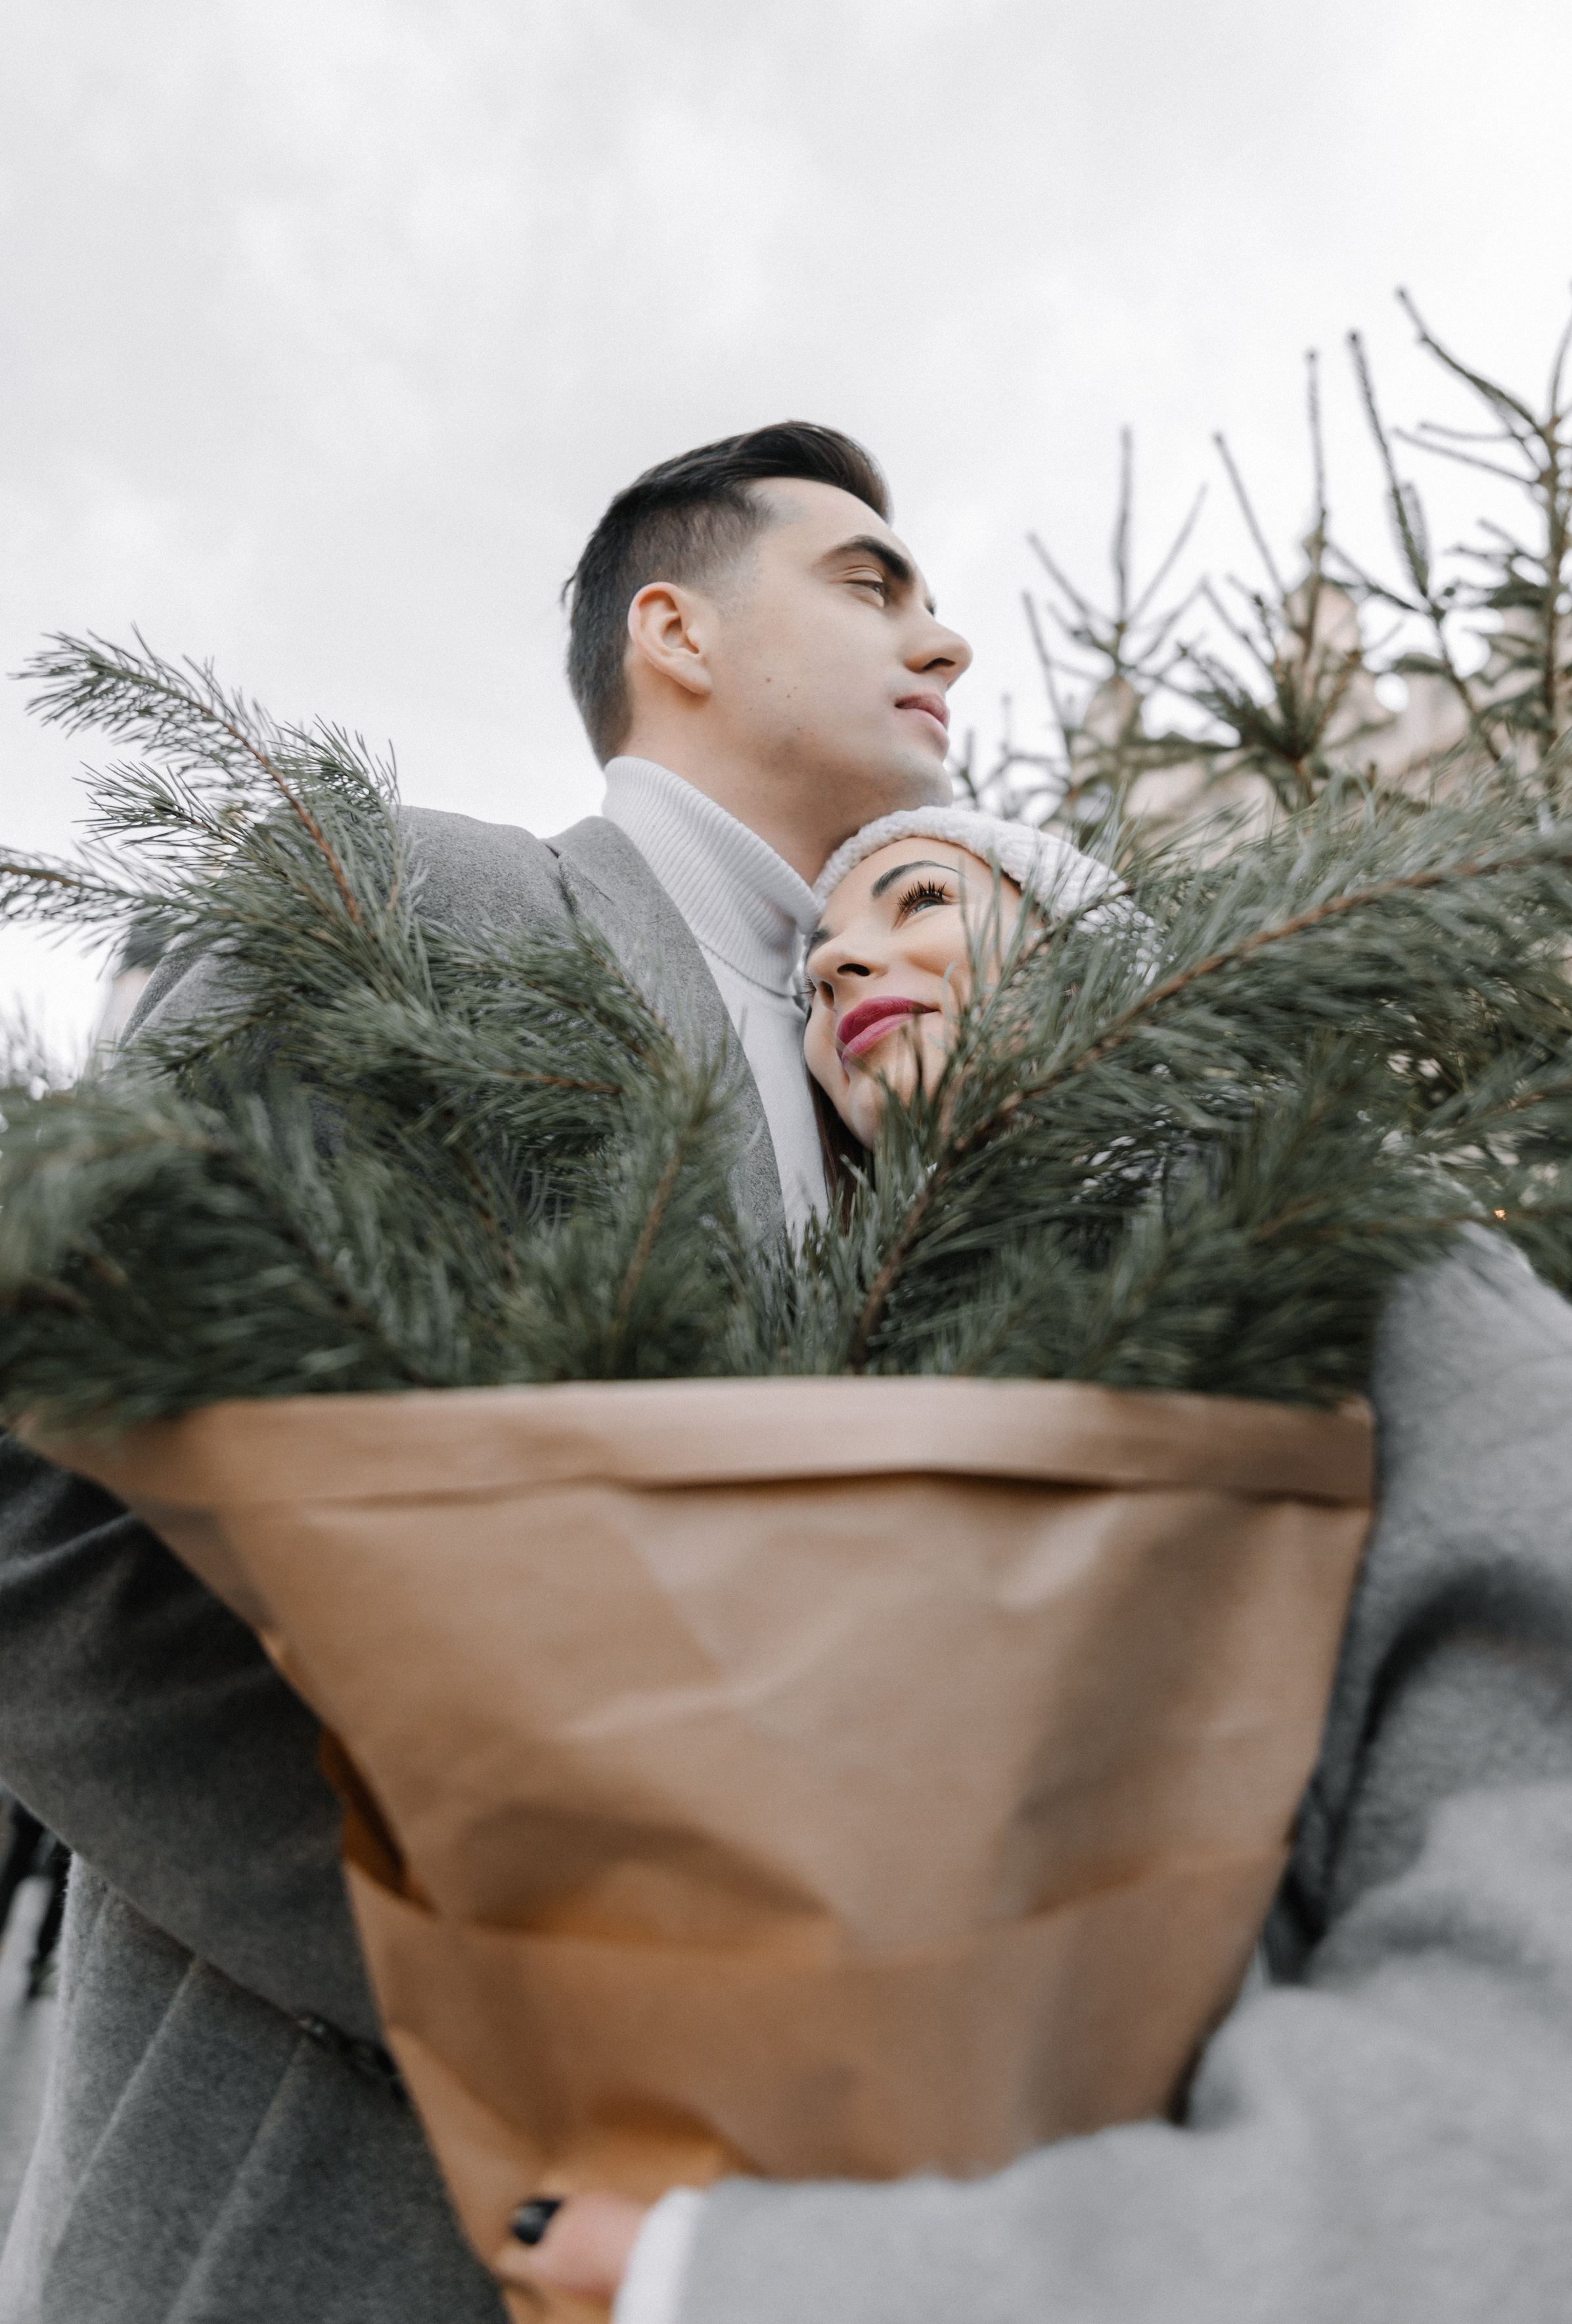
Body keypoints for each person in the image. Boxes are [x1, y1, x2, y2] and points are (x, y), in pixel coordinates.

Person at [0, 422, 970, 2324]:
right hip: (322, 2208)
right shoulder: (413, 898)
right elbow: (45, 1475)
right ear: (674, 630)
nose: (943, 642)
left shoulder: (915, 1121)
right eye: (870, 585)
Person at [508, 809, 1572, 2324]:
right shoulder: (864, 1397)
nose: (841, 961)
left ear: (1094, 957)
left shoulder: (1317, 1240)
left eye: (918, 897)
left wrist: (764, 2282)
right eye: (811, 971)